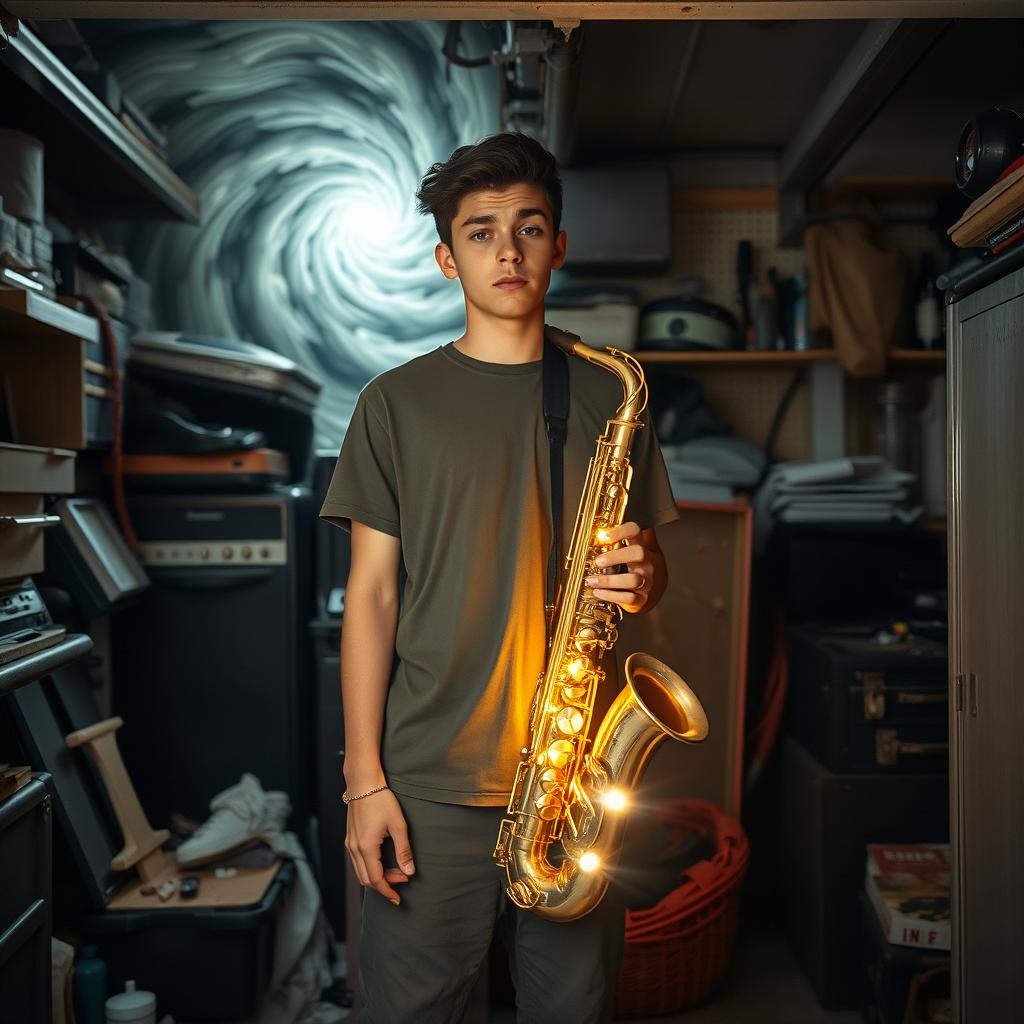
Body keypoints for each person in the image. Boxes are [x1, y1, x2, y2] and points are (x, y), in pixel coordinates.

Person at [319, 131, 679, 1023]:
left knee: (576, 1011)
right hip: (429, 784)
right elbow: (370, 596)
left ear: (560, 247)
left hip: (578, 782)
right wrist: (365, 782)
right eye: (480, 232)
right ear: (448, 259)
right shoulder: (392, 403)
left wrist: (645, 577)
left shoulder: (610, 397)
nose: (507, 250)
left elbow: (652, 566)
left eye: (529, 227)